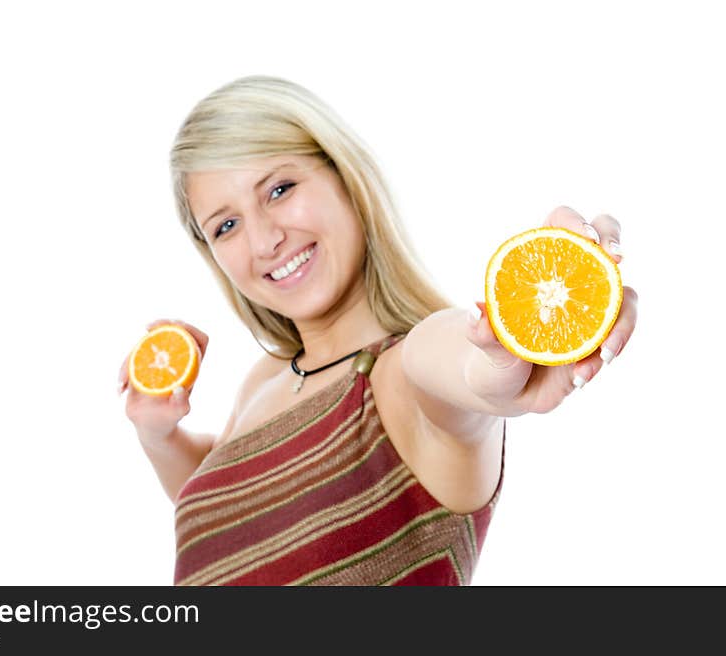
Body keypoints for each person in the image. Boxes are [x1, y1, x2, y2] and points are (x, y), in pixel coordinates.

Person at [117, 75, 638, 586]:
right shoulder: (267, 378)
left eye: (279, 189)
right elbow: (228, 514)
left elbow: (466, 366)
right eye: (225, 226)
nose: (264, 240)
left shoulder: (406, 370)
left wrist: (507, 355)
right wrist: (159, 435)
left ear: (345, 175)